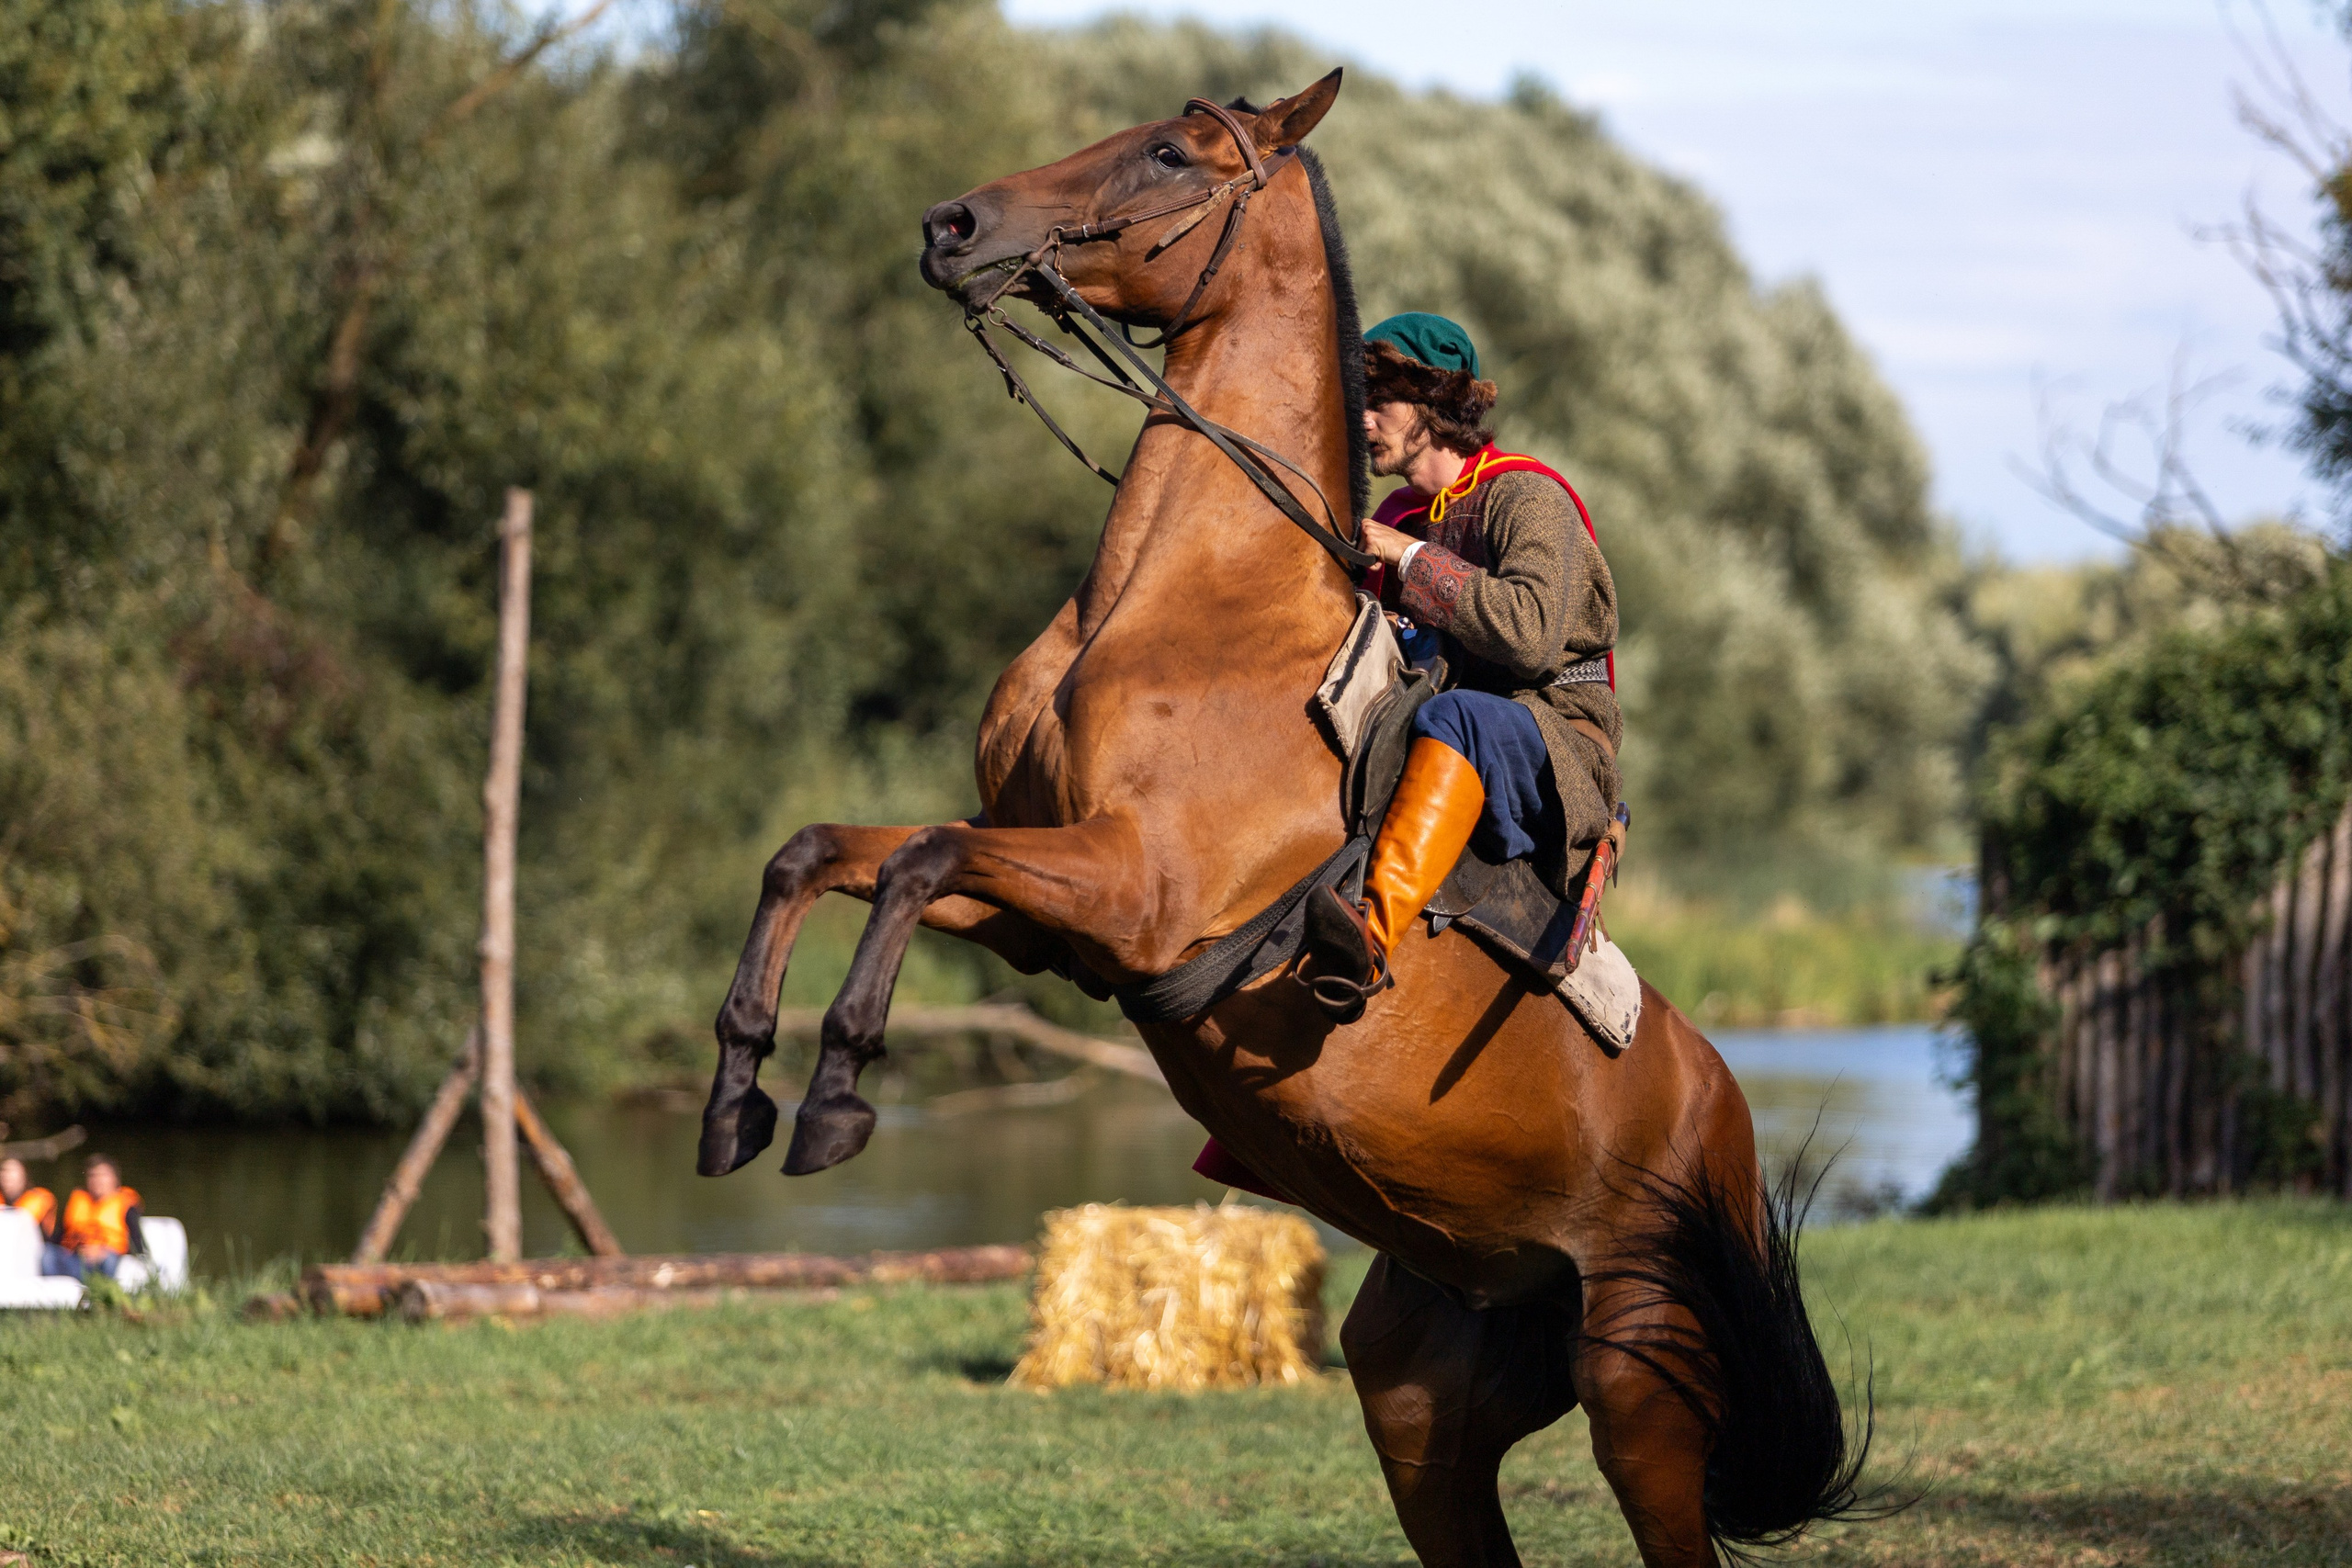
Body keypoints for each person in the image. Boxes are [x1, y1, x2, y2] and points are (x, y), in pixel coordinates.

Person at [1305, 311, 1621, 1022]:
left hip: (1555, 744)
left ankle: (1370, 935)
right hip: (1435, 733)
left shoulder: (1530, 497)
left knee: (1456, 715)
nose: (1361, 420)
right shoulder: (1395, 515)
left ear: (1435, 405)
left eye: (1378, 401)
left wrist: (1408, 559)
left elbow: (1532, 637)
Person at [42, 1155, 145, 1283]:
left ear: (115, 1179)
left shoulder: (126, 1205)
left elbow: (137, 1246)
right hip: (75, 1259)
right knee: (48, 1254)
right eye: (92, 1175)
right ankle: (58, 1297)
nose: (97, 1180)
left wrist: (102, 1252)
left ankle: (103, 1297)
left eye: (103, 1175)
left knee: (109, 1260)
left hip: (106, 1260)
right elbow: (58, 1238)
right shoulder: (77, 1200)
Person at [0, 1156, 57, 1239]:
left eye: (12, 1172)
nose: (7, 1177)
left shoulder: (39, 1198)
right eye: (4, 1172)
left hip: (38, 1248)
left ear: (24, 1175)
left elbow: (23, 1226)